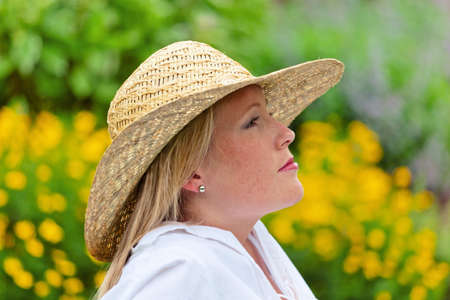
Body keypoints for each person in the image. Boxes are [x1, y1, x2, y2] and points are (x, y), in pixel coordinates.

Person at [84, 40, 344, 300]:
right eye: (252, 122)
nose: (286, 133)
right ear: (191, 173)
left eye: (267, 115)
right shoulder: (179, 269)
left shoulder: (248, 237)